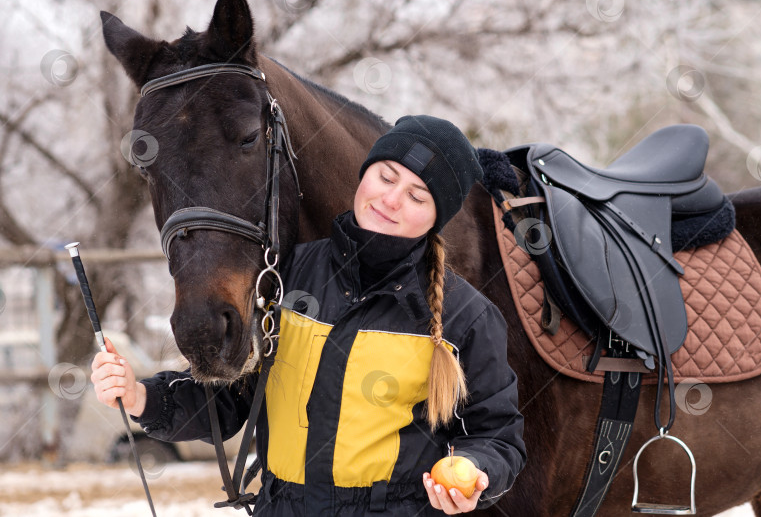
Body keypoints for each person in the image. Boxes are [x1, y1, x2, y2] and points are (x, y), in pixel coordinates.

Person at [92, 115, 526, 515]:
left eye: (417, 196)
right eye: (386, 176)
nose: (392, 199)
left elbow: (496, 435)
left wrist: (474, 471)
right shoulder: (283, 278)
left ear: (436, 218)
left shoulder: (466, 316)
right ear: (365, 172)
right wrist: (139, 396)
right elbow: (228, 398)